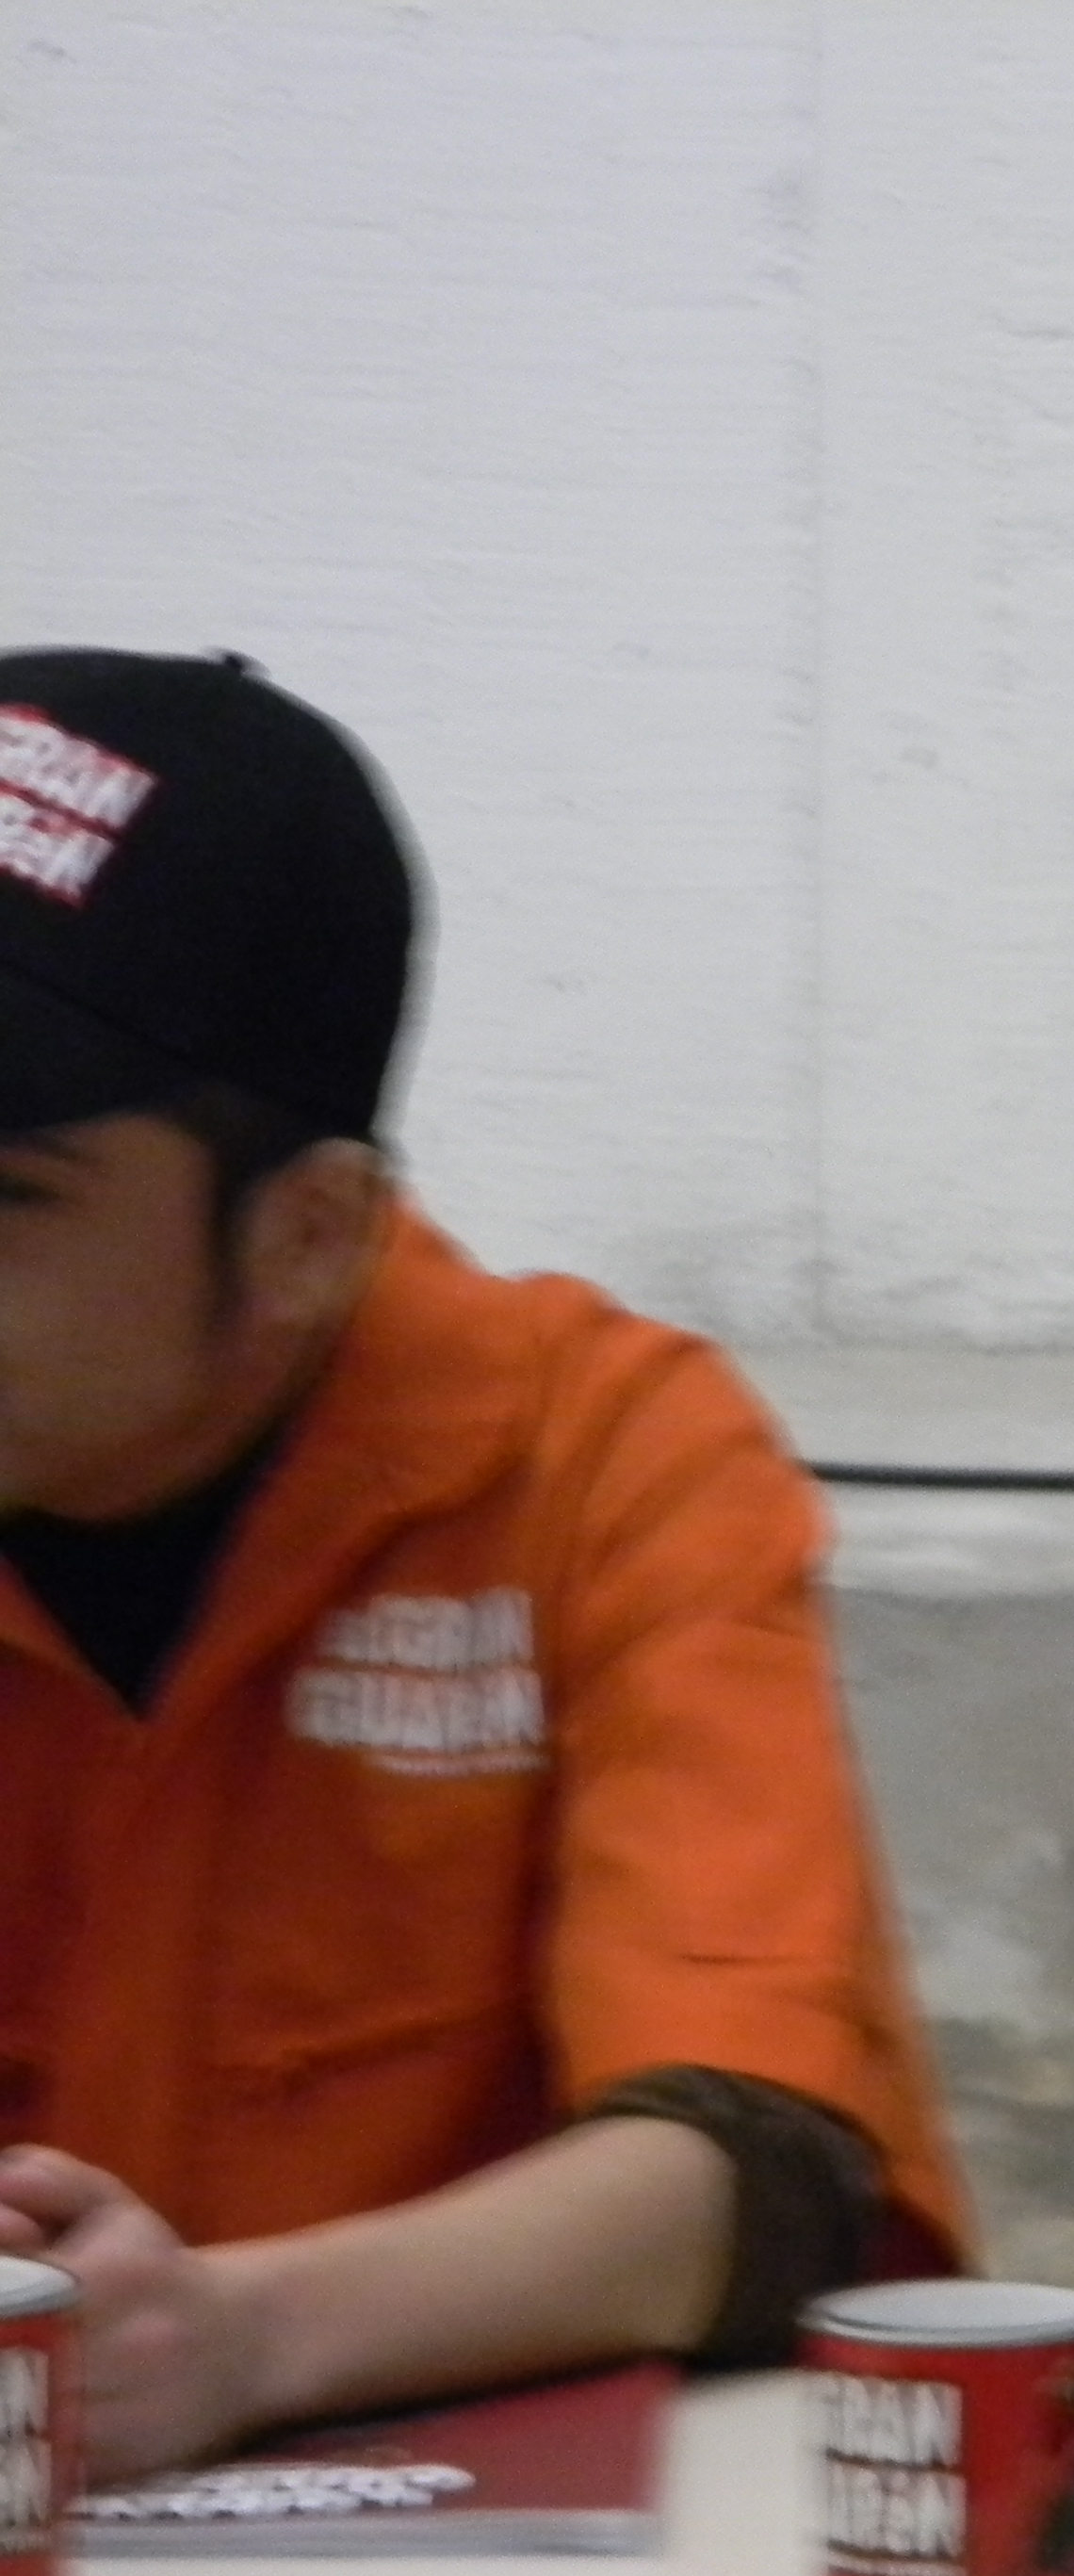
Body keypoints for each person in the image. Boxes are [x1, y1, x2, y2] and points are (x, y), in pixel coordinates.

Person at [0, 648, 967, 2483]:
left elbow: (754, 2166)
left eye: (11, 1199)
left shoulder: (604, 1460)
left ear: (310, 1232)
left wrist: (237, 2338)